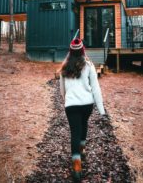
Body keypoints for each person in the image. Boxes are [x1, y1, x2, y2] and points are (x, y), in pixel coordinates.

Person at [60, 38, 106, 181]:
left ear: (70, 52)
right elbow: (96, 88)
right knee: (83, 124)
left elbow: (62, 90)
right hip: (87, 104)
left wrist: (67, 100)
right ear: (82, 51)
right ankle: (82, 148)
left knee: (75, 131)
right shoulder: (89, 66)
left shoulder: (64, 67)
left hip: (71, 105)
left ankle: (76, 164)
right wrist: (101, 109)